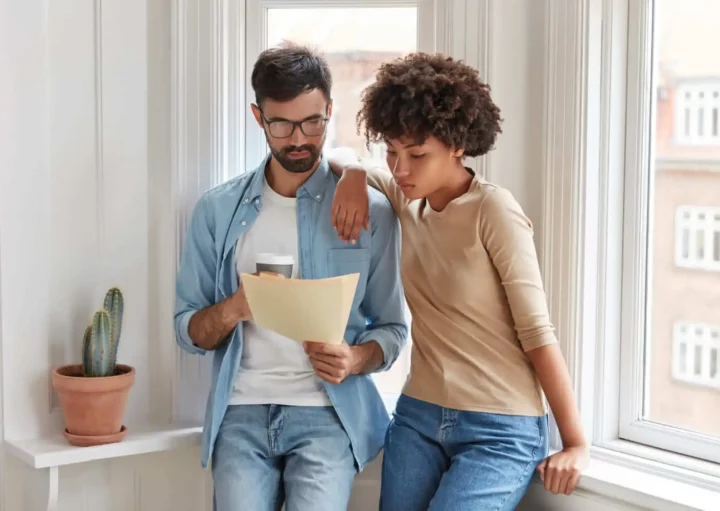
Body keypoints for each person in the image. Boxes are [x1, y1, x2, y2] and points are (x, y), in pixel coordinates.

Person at [327, 52, 588, 510]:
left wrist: (575, 442)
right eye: (391, 151)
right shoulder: (407, 196)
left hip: (499, 426)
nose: (400, 168)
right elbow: (341, 154)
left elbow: (537, 333)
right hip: (418, 417)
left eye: (417, 154)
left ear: (457, 144)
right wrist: (352, 173)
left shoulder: (495, 211)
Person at [174, 42, 408, 511]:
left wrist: (355, 358)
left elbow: (393, 331)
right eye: (281, 124)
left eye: (313, 122)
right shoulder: (217, 211)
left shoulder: (372, 214)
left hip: (328, 413)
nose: (299, 139)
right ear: (258, 117)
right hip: (240, 411)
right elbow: (188, 331)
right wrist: (235, 308)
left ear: (329, 112)